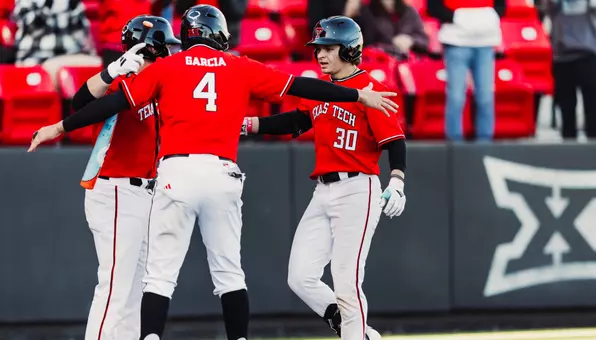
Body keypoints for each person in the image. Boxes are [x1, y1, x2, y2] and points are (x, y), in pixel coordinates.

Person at [28, 5, 398, 340]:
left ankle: (151, 337)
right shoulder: (238, 65)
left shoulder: (163, 69)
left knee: (157, 276)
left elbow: (105, 103)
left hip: (173, 174)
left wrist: (58, 128)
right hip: (220, 174)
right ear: (220, 35)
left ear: (187, 37)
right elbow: (298, 86)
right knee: (229, 273)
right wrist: (356, 95)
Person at [241, 16, 406, 340]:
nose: (320, 54)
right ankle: (352, 328)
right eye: (318, 48)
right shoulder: (320, 90)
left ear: (348, 49)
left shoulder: (370, 89)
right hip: (324, 190)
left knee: (346, 280)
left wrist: (397, 180)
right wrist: (248, 124)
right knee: (300, 276)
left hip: (358, 188)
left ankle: (354, 334)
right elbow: (296, 121)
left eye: (328, 48)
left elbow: (395, 141)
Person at [36, 15, 179, 340]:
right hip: (116, 189)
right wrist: (113, 70)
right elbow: (80, 102)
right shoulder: (122, 79)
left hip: (145, 192)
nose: (163, 57)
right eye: (159, 51)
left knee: (133, 290)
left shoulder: (158, 84)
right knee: (115, 287)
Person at [427, 0, 506, 140]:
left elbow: (502, 7)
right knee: (456, 97)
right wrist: (458, 18)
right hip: (455, 42)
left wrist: (483, 18)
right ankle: (454, 148)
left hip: (485, 43)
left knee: (485, 97)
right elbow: (433, 7)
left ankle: (484, 146)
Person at [547, 0, 596, 140]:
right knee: (567, 110)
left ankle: (595, 147)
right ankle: (569, 148)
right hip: (562, 58)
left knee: (593, 108)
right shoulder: (555, 4)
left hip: (587, 56)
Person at [360, 0, 429, 58]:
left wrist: (411, 40)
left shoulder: (409, 11)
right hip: (380, 61)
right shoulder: (368, 12)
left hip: (409, 62)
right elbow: (366, 44)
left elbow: (424, 40)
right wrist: (392, 42)